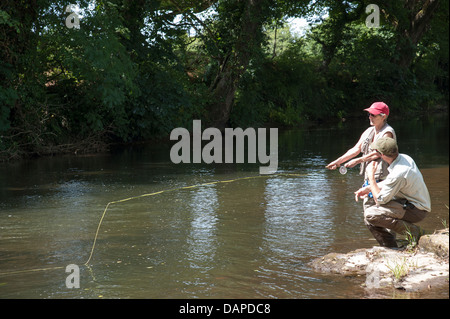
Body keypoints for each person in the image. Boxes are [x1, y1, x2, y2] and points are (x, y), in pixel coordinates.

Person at [354, 137, 431, 248]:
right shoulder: (405, 158)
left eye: (376, 151)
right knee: (371, 215)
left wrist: (371, 176)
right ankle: (390, 247)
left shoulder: (399, 172)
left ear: (382, 155)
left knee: (371, 215)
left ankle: (415, 233)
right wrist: (370, 188)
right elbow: (391, 182)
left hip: (416, 210)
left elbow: (380, 200)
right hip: (413, 205)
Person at [326, 102, 396, 184]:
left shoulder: (387, 132)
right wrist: (338, 161)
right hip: (370, 176)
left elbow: (377, 153)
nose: (370, 117)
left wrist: (357, 161)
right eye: (369, 114)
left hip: (384, 178)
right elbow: (356, 149)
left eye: (373, 115)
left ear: (383, 116)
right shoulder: (369, 130)